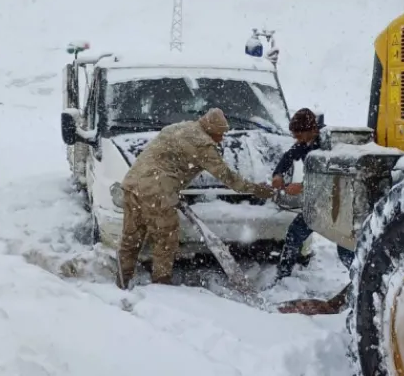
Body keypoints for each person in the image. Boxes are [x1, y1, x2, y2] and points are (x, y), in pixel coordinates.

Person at [116, 108, 276, 289]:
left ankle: (122, 281)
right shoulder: (203, 145)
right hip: (158, 192)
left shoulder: (179, 127)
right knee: (165, 240)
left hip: (132, 184)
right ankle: (161, 286)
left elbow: (164, 158)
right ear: (210, 130)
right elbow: (228, 178)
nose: (221, 139)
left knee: (131, 238)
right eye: (219, 134)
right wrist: (257, 189)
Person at [272, 108, 355, 281]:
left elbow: (332, 179)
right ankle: (283, 276)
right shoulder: (305, 142)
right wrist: (278, 174)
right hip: (316, 203)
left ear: (312, 130)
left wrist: (302, 187)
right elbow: (289, 156)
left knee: (346, 246)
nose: (297, 140)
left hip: (338, 205)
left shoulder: (329, 145)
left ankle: (360, 280)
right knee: (294, 233)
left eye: (299, 135)